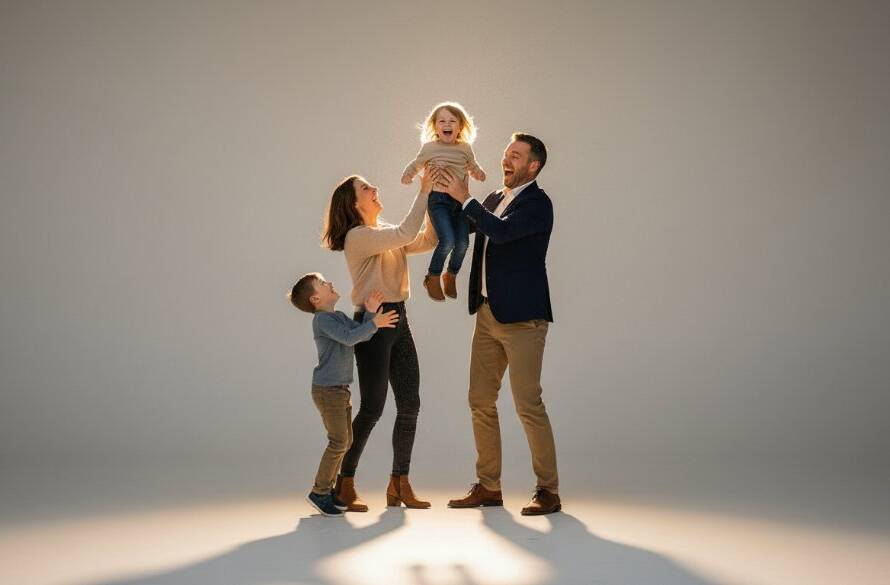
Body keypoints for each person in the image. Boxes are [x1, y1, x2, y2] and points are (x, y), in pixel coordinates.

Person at [440, 133, 561, 515]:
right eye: (506, 154)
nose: (506, 160)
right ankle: (489, 487)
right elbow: (465, 227)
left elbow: (502, 231)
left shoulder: (539, 204)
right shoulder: (494, 198)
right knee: (479, 400)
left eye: (516, 156)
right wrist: (438, 196)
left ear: (533, 166)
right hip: (488, 315)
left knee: (528, 404)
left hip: (524, 319)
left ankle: (548, 491)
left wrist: (467, 201)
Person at [321, 168, 439, 510]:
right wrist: (424, 190)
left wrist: (441, 201)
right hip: (374, 320)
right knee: (372, 407)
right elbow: (407, 231)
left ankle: (399, 483)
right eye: (365, 188)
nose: (375, 189)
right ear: (354, 203)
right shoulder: (359, 237)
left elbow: (426, 239)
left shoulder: (386, 233)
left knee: (410, 404)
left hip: (398, 317)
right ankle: (344, 483)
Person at [288, 273, 399, 517]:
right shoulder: (322, 321)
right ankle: (319, 492)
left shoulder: (336, 316)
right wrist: (375, 322)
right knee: (338, 441)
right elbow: (349, 338)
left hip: (340, 390)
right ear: (316, 298)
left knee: (345, 441)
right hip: (327, 391)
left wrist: (370, 314)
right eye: (323, 283)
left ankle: (327, 491)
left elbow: (362, 334)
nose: (330, 283)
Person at [401, 101, 486, 301]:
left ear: (460, 127)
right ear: (435, 127)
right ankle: (433, 276)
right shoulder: (429, 148)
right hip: (438, 200)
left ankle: (451, 274)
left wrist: (479, 173)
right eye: (442, 121)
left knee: (463, 242)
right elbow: (416, 164)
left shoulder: (465, 148)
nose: (447, 124)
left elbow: (472, 165)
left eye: (452, 121)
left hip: (460, 201)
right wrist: (408, 175)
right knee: (447, 240)